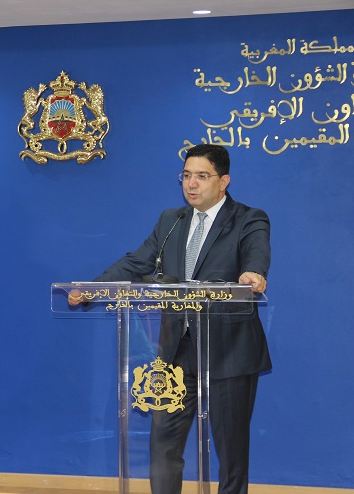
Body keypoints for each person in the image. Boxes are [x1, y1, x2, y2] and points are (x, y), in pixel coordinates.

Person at [72, 144, 270, 494]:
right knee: (163, 444)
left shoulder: (249, 219)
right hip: (177, 353)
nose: (192, 184)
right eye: (187, 176)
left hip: (229, 352)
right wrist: (95, 288)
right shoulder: (171, 221)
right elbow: (137, 263)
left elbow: (256, 254)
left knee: (231, 451)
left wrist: (253, 274)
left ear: (223, 181)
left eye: (202, 176)